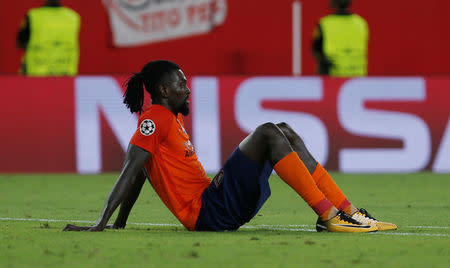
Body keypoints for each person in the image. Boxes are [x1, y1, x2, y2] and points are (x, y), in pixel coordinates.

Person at [63, 60, 397, 233]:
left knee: (285, 131)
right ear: (163, 90)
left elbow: (141, 174)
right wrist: (103, 222)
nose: (188, 89)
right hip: (208, 212)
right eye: (181, 83)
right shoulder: (156, 119)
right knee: (268, 131)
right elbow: (131, 168)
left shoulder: (171, 119)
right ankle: (328, 216)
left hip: (215, 204)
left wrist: (121, 224)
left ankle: (349, 212)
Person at [16, 0, 81, 76]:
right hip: (66, 73)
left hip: (37, 73)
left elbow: (20, 42)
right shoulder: (73, 17)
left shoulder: (33, 16)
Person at [312, 0, 368, 76]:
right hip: (357, 75)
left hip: (333, 76)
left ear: (332, 3)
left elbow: (316, 50)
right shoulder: (361, 23)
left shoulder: (325, 23)